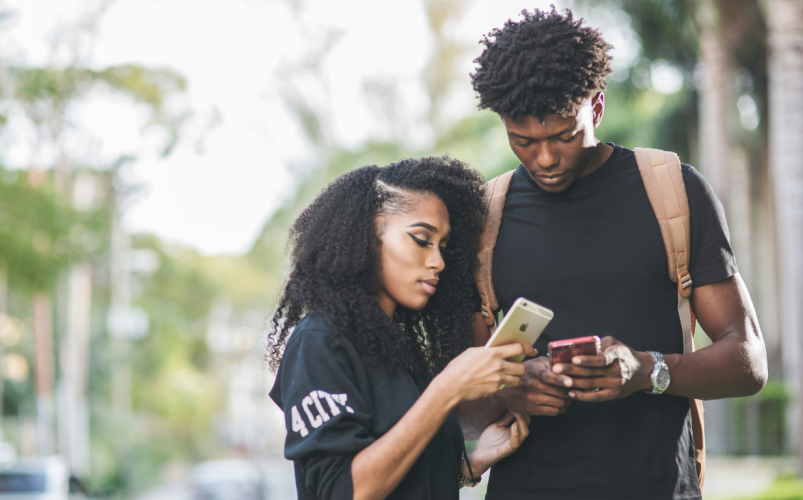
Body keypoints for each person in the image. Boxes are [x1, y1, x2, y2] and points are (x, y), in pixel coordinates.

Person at [457, 7, 769, 500]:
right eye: (523, 140)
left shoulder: (673, 191)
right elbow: (464, 403)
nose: (545, 159)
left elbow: (748, 361)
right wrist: (510, 389)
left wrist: (648, 370)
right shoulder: (485, 220)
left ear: (596, 108)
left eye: (564, 135)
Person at [266, 157, 536, 500]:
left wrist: (473, 464)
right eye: (422, 239)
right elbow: (343, 491)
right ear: (365, 237)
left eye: (443, 246)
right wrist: (446, 391)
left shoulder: (397, 348)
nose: (438, 261)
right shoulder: (318, 343)